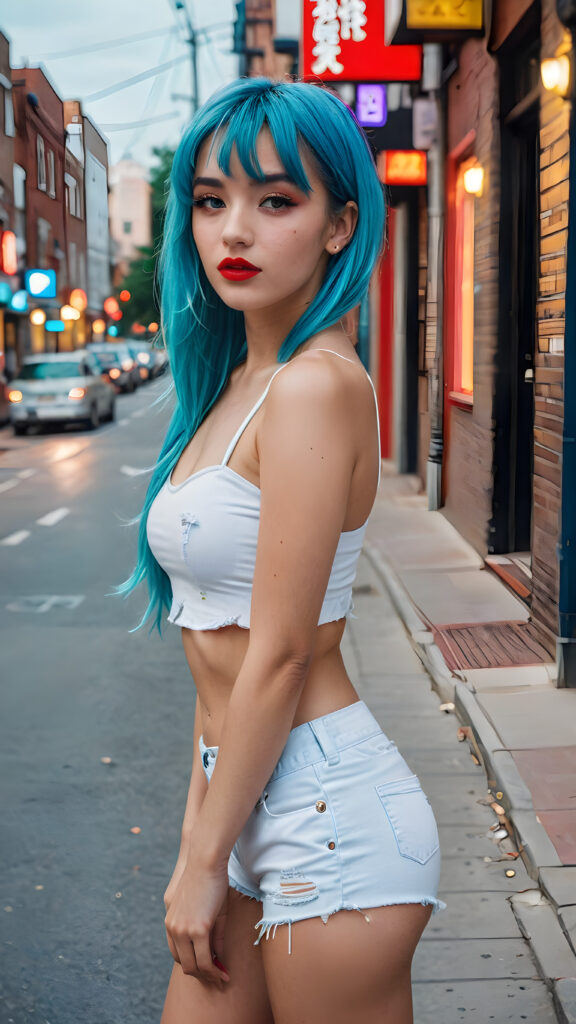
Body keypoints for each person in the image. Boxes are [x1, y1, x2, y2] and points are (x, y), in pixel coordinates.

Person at [118, 77, 446, 1024]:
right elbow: (211, 669)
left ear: (340, 225)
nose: (233, 232)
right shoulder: (235, 388)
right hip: (244, 798)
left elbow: (281, 654)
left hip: (330, 824)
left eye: (276, 202)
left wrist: (204, 861)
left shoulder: (314, 387)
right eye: (212, 202)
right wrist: (198, 844)